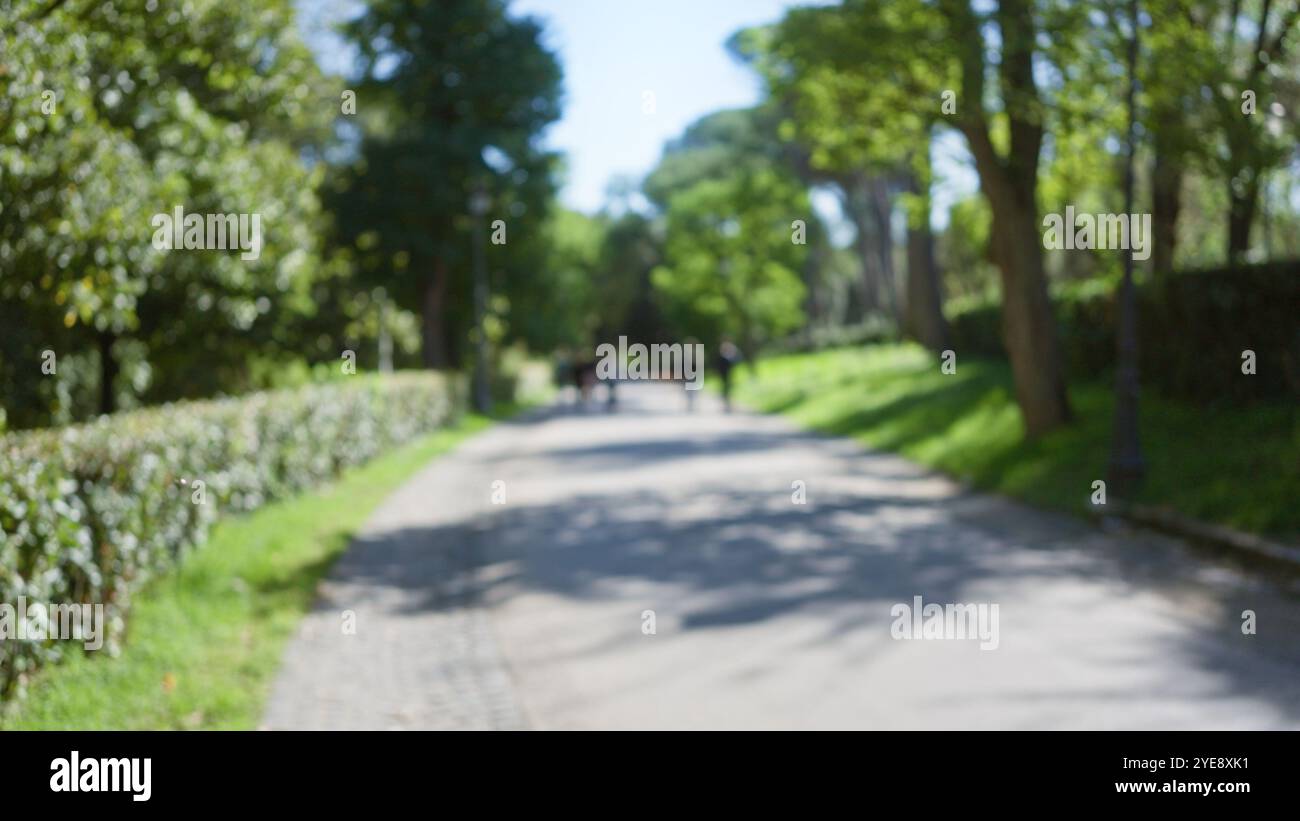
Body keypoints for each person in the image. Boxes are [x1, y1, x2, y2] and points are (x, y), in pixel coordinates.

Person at [718, 340, 741, 413]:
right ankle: (727, 404)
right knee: (726, 390)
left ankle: (729, 404)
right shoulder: (723, 358)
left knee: (729, 390)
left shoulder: (730, 358)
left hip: (729, 376)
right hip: (725, 377)